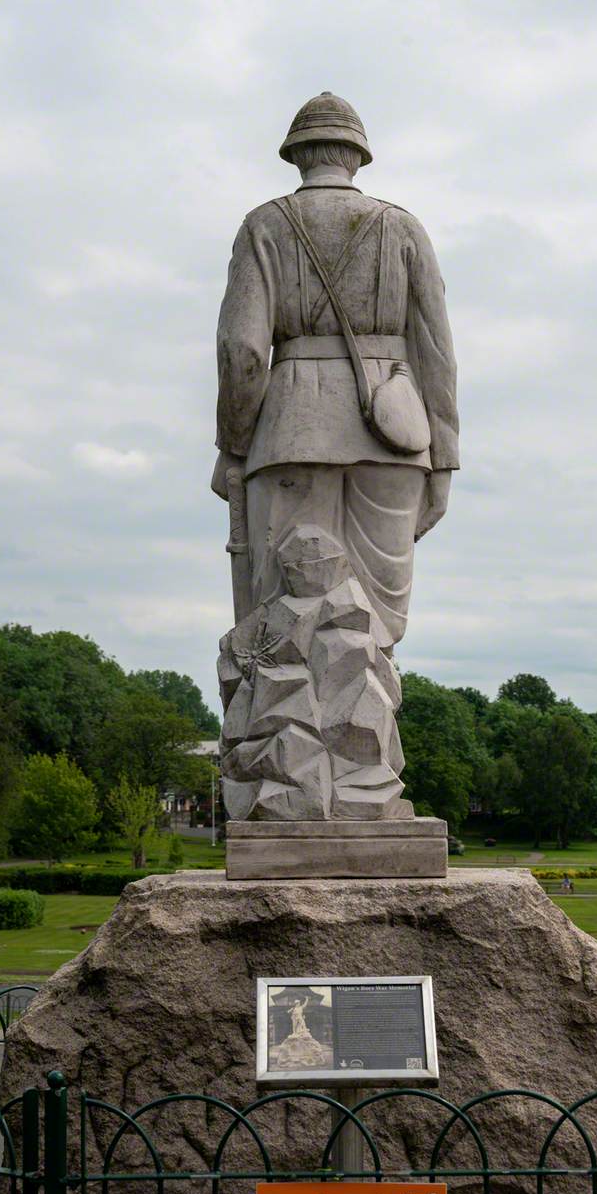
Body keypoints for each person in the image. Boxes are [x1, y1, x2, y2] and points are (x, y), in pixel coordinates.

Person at [212, 92, 459, 820]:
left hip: (289, 430)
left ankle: (296, 797)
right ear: (357, 155)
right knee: (373, 627)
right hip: (393, 435)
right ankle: (362, 790)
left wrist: (234, 444)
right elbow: (437, 351)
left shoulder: (264, 225)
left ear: (297, 154)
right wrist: (443, 456)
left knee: (285, 618)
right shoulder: (402, 226)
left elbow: (242, 350)